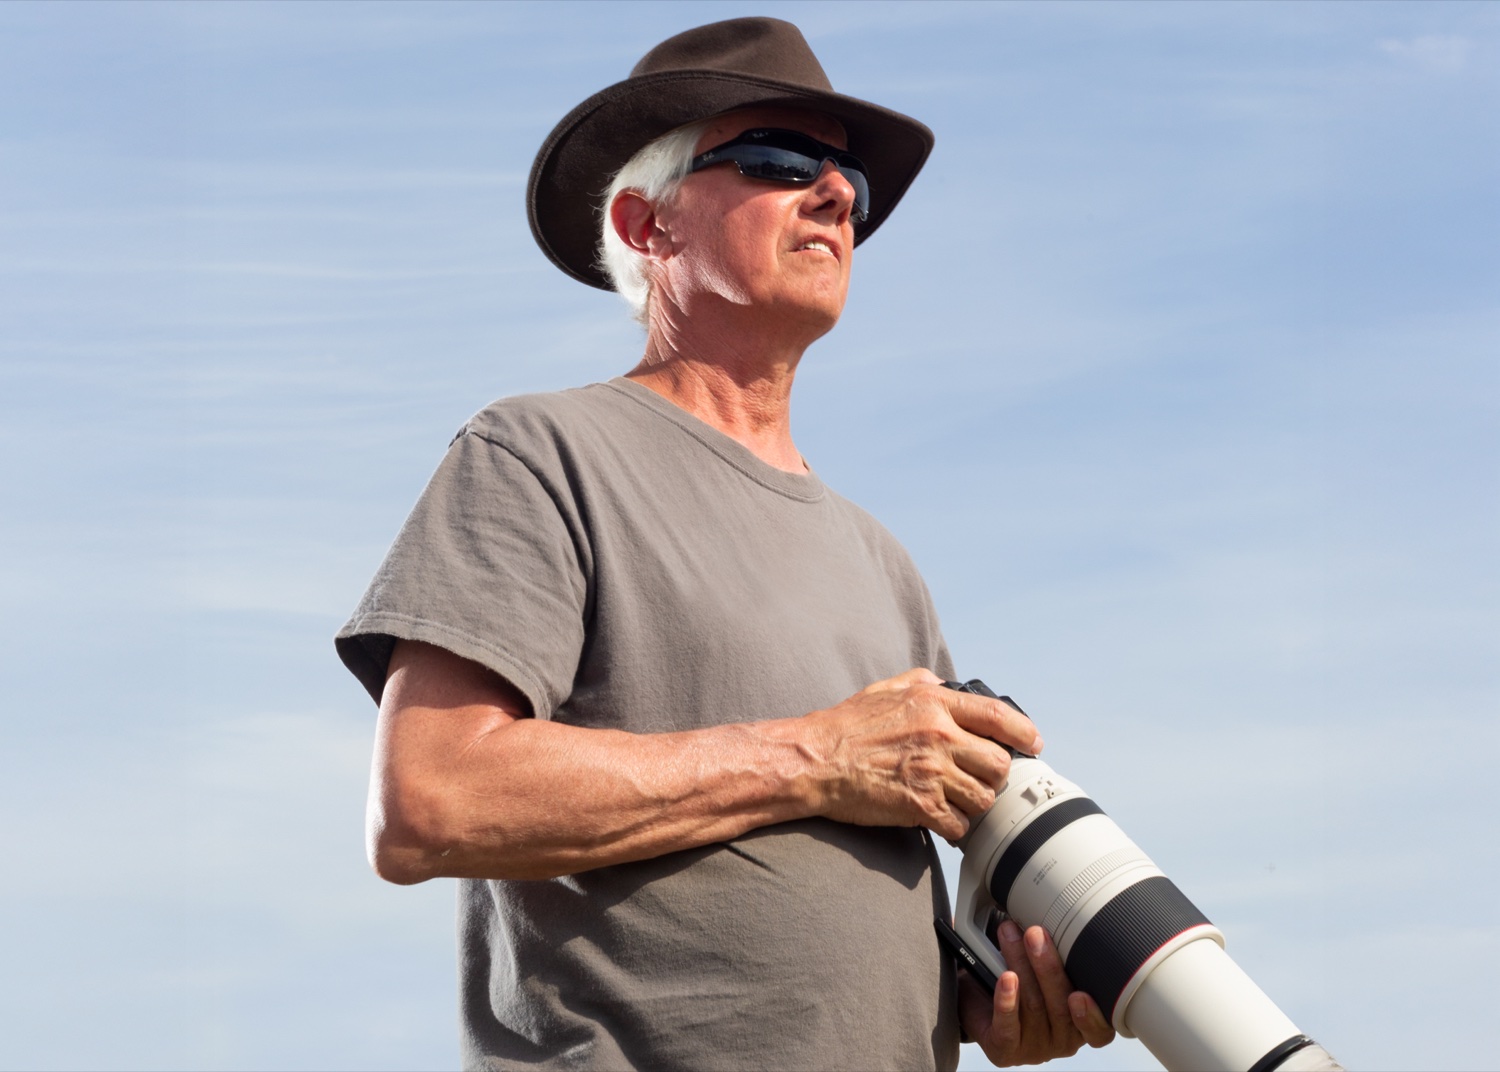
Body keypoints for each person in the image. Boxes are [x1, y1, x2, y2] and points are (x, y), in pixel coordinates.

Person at [337, 17, 1115, 1071]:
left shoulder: (884, 564)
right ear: (647, 223)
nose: (836, 194)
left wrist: (992, 1006)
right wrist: (818, 754)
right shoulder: (540, 452)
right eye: (780, 160)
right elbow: (430, 800)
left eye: (851, 184)